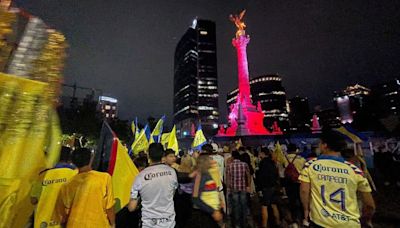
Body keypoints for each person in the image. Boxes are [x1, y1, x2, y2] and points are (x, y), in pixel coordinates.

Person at [299, 130, 376, 228]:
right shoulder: (355, 170)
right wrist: (366, 220)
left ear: (324, 145)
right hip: (349, 223)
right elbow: (370, 205)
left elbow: (304, 191)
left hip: (321, 221)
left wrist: (306, 210)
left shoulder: (310, 165)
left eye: (320, 143)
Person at [57, 148, 115, 227]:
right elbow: (109, 208)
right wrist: (113, 223)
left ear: (73, 162)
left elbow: (64, 214)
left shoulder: (67, 185)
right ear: (91, 160)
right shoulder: (104, 178)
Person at [128, 143, 178, 228]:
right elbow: (172, 194)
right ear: (163, 155)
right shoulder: (172, 172)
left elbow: (131, 208)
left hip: (149, 224)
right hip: (169, 223)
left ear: (148, 155)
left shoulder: (140, 176)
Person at [31, 147, 77, 228]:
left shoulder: (42, 175)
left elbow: (33, 199)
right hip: (64, 221)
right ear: (70, 159)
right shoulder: (74, 175)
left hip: (43, 221)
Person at [191, 154, 223, 228]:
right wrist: (213, 211)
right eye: (210, 159)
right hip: (204, 215)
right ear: (205, 162)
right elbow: (195, 198)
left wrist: (219, 201)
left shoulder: (207, 174)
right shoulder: (199, 176)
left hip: (210, 213)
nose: (213, 161)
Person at [256, 147, 281, 228]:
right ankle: (278, 222)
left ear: (263, 154)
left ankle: (264, 225)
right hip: (274, 186)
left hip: (266, 187)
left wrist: (259, 188)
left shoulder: (262, 163)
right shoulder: (272, 162)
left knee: (264, 206)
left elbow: (260, 177)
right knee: (274, 205)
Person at [226, 150, 250, 228]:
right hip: (243, 187)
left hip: (234, 188)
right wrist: (248, 185)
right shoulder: (244, 164)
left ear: (232, 157)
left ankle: (237, 224)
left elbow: (228, 178)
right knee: (243, 205)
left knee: (236, 207)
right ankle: (244, 223)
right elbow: (248, 175)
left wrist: (228, 187)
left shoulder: (229, 165)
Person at [283, 144, 306, 225]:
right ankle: (304, 218)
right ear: (296, 150)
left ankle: (294, 221)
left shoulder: (283, 158)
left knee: (291, 201)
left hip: (288, 182)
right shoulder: (301, 159)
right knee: (301, 200)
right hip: (299, 182)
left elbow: (281, 171)